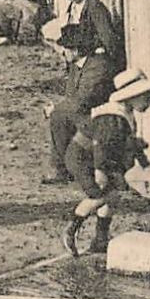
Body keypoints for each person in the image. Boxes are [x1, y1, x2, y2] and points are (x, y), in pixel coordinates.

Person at [61, 69, 150, 256]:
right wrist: (100, 172)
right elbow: (101, 146)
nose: (149, 102)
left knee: (113, 195)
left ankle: (101, 239)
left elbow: (128, 142)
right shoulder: (111, 117)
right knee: (100, 195)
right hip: (83, 158)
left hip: (98, 157)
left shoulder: (124, 113)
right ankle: (71, 229)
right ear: (132, 96)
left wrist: (145, 163)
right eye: (146, 98)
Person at [42, 23, 118, 185]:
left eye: (66, 48)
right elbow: (72, 97)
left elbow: (85, 99)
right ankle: (64, 166)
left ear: (76, 50)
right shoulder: (77, 66)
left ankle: (63, 168)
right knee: (60, 115)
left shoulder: (98, 66)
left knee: (59, 116)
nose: (63, 52)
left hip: (101, 116)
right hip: (84, 112)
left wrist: (57, 109)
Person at [54, 0, 124, 71]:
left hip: (96, 61)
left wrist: (114, 65)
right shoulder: (73, 7)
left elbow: (108, 39)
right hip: (79, 63)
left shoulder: (94, 7)